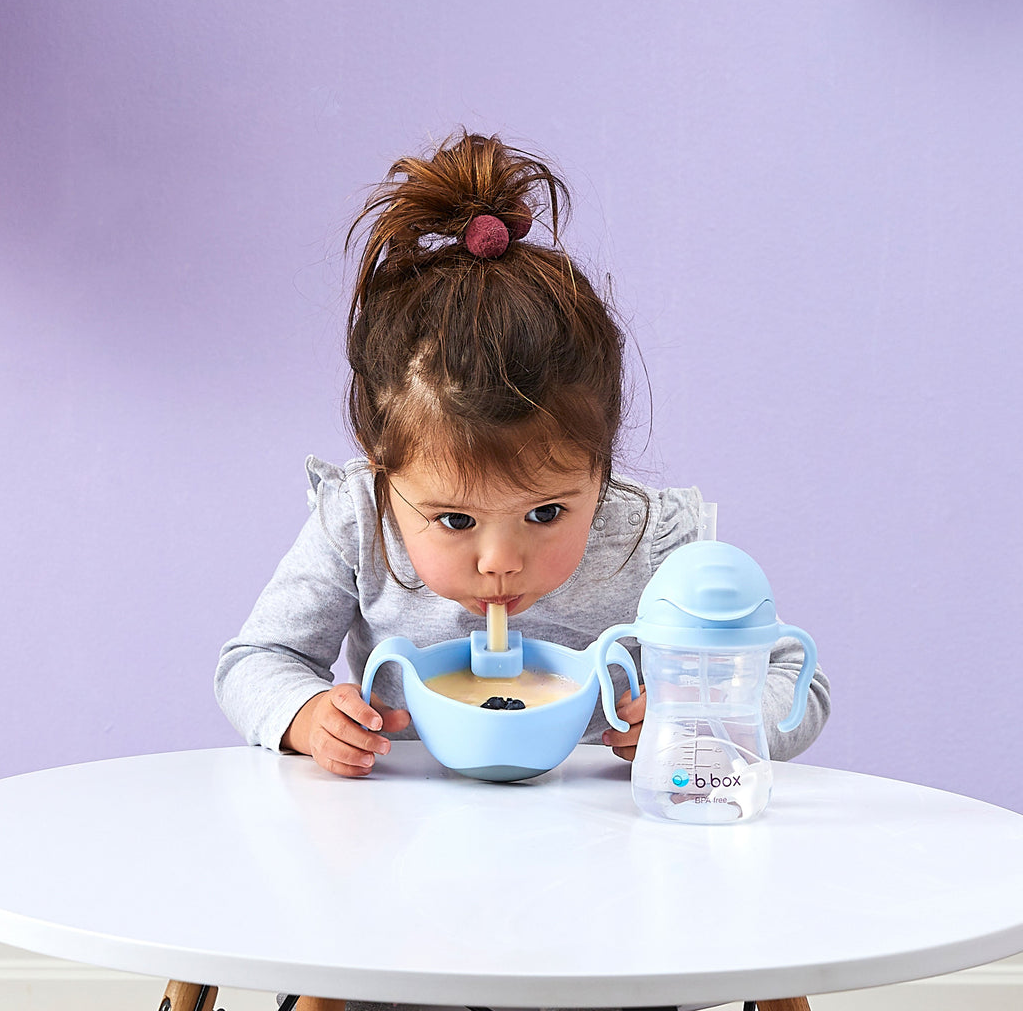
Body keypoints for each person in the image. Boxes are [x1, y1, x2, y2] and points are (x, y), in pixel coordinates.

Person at [215, 130, 830, 783]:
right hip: (409, 834)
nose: (501, 564)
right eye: (455, 521)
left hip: (601, 840)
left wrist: (706, 720)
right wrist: (304, 714)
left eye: (547, 513)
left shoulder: (651, 544)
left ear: (602, 471)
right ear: (384, 472)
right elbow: (256, 658)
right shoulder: (358, 526)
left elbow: (796, 682)